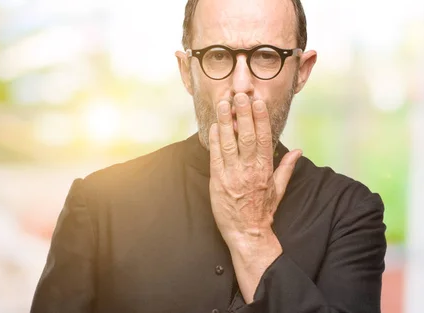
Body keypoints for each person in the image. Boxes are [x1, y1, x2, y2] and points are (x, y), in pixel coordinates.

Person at [30, 0, 387, 312]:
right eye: (218, 56)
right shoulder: (98, 202)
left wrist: (251, 234)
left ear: (301, 72)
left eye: (266, 56)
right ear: (187, 72)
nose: (241, 84)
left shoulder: (351, 212)